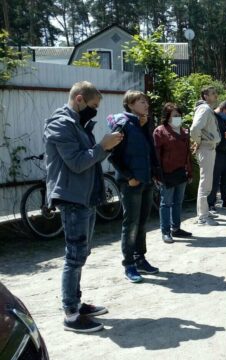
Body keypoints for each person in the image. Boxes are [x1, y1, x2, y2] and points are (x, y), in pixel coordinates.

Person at [44, 81, 123, 333]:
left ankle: (76, 302)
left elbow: (90, 158)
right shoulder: (60, 124)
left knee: (82, 253)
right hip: (71, 198)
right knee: (74, 256)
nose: (95, 110)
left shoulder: (78, 123)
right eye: (93, 105)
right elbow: (78, 163)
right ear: (79, 99)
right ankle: (70, 313)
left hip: (84, 197)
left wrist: (106, 147)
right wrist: (103, 146)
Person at [108, 90, 161, 283]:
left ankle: (140, 258)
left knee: (142, 223)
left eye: (146, 101)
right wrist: (129, 176)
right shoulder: (123, 124)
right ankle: (129, 264)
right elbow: (113, 156)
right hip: (131, 183)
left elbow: (149, 151)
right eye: (141, 101)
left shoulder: (143, 123)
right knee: (131, 224)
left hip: (145, 180)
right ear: (130, 105)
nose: (146, 104)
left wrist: (155, 174)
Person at [153, 103, 193, 244]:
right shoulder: (160, 131)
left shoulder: (184, 132)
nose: (178, 118)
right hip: (166, 173)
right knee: (166, 203)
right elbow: (156, 155)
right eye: (175, 115)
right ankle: (166, 232)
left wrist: (190, 172)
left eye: (179, 115)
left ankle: (176, 228)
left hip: (181, 172)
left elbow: (188, 154)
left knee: (178, 202)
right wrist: (157, 175)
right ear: (167, 117)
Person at [190, 86, 221, 226]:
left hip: (209, 148)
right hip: (206, 148)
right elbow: (195, 128)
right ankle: (202, 217)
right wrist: (198, 141)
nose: (216, 96)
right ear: (205, 96)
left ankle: (204, 212)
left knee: (207, 183)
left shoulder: (207, 109)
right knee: (205, 184)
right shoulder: (204, 109)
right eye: (213, 93)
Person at [208, 100, 226, 211]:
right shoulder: (213, 117)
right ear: (222, 109)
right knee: (214, 179)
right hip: (217, 152)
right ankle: (211, 203)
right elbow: (217, 134)